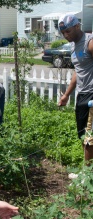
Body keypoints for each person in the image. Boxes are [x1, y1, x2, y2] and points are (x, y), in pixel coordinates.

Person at [58, 14, 93, 164]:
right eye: (63, 33)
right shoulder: (72, 45)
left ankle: (87, 175)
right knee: (82, 134)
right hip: (81, 95)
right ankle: (88, 171)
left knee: (90, 136)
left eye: (68, 31)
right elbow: (77, 72)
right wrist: (66, 95)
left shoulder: (89, 42)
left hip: (92, 94)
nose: (66, 35)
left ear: (77, 26)